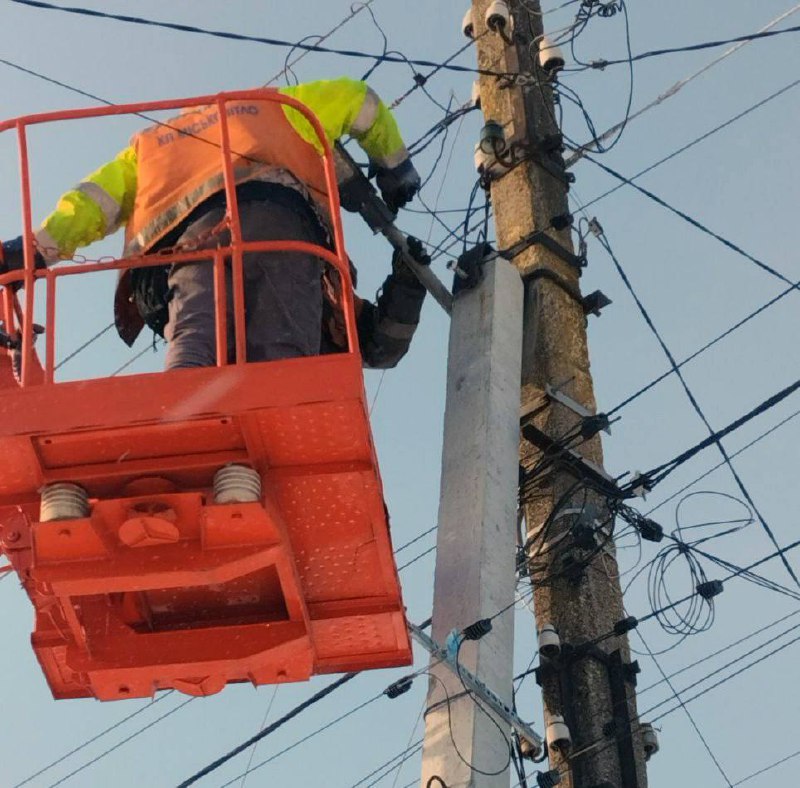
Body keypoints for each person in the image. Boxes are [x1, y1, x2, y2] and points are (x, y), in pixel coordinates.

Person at [0, 76, 427, 370]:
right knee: (280, 357)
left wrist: (32, 251)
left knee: (194, 340)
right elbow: (359, 100)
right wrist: (396, 169)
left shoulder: (151, 145)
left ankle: (187, 405)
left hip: (187, 248)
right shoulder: (284, 106)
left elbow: (93, 202)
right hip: (278, 227)